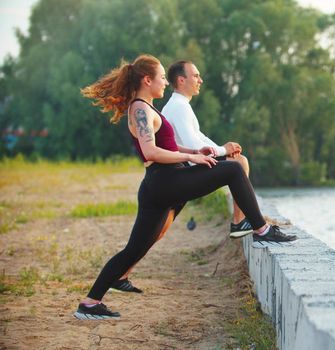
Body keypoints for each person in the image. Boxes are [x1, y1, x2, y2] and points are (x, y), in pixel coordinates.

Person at [74, 54, 296, 320]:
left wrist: (194, 150)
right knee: (235, 168)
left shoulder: (147, 107)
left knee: (135, 249)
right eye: (162, 78)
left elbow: (167, 146)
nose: (165, 83)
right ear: (147, 80)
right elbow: (151, 152)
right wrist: (191, 158)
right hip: (164, 182)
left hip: (161, 184)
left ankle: (89, 303)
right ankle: (261, 229)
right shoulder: (141, 109)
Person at [162, 61, 252, 238]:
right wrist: (223, 150)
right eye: (196, 76)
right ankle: (238, 221)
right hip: (186, 170)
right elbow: (196, 147)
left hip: (185, 167)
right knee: (240, 162)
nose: (200, 80)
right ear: (181, 80)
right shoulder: (179, 107)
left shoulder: (179, 104)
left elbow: (199, 136)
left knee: (238, 161)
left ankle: (240, 220)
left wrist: (223, 149)